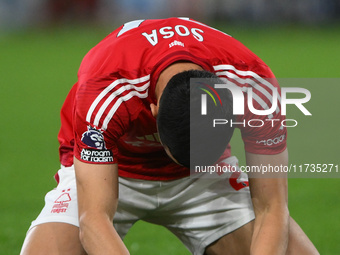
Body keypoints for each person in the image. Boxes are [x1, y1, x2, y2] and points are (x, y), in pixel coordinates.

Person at [20, 17, 319, 255]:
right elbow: (93, 219)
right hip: (111, 171)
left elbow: (272, 206)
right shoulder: (106, 86)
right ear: (152, 110)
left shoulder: (254, 85)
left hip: (205, 181)